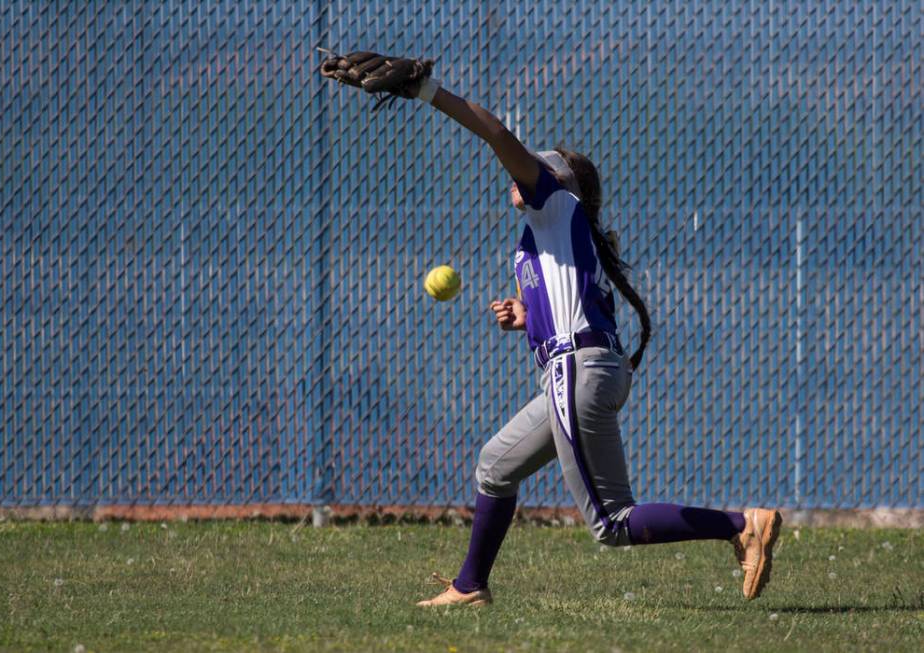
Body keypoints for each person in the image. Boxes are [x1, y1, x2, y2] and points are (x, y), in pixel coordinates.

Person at [324, 57, 782, 605]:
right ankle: (470, 586)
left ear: (560, 181)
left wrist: (428, 91)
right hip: (580, 370)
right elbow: (574, 305)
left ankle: (741, 523)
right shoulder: (551, 231)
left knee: (611, 521)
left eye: (544, 163)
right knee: (496, 466)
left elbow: (497, 135)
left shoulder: (555, 201)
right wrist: (527, 317)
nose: (528, 167)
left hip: (576, 371)